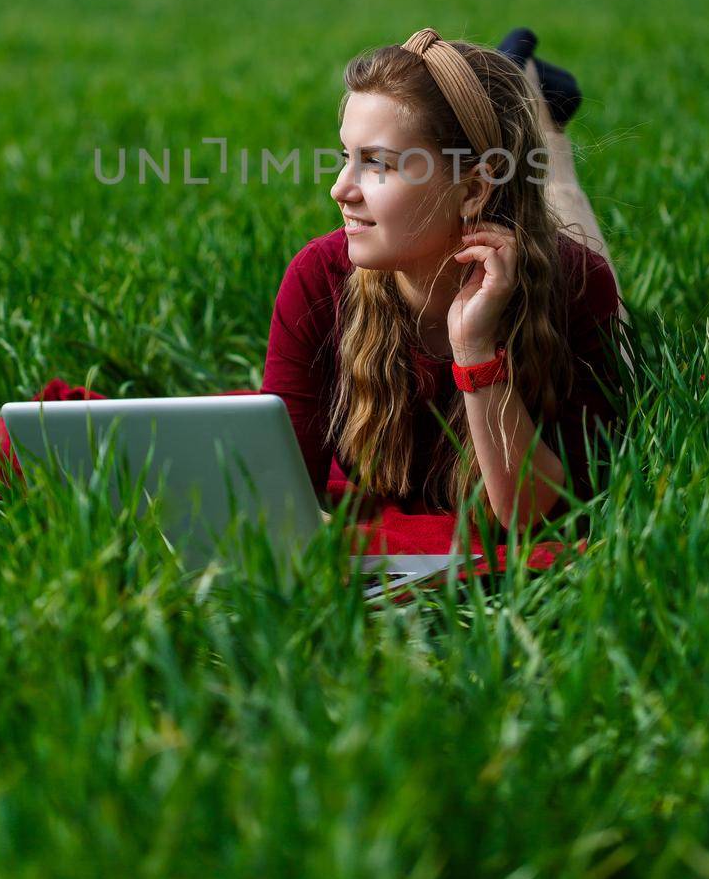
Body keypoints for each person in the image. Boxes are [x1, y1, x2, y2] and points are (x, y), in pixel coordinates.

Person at [261, 27, 633, 542]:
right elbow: (271, 494)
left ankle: (540, 116)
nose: (339, 189)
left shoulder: (577, 285)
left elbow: (545, 521)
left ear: (474, 189)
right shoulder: (318, 278)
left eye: (377, 164)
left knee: (559, 200)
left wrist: (476, 350)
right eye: (346, 156)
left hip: (533, 251)